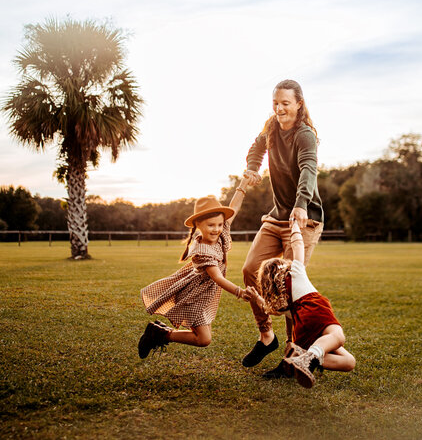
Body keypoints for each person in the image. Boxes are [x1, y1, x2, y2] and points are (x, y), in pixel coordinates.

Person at [240, 79, 324, 378]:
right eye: (275, 103)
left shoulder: (305, 135)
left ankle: (292, 357)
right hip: (276, 217)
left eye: (285, 103)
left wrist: (301, 204)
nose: (279, 108)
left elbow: (308, 169)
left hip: (304, 218)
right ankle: (267, 336)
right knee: (250, 269)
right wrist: (252, 167)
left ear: (299, 104)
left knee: (291, 285)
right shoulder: (272, 127)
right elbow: (257, 147)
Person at [138, 177, 257, 358]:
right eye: (211, 225)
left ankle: (159, 332)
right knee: (203, 339)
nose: (217, 229)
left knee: (203, 337)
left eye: (219, 224)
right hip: (195, 298)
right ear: (198, 225)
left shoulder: (221, 232)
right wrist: (240, 293)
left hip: (205, 295)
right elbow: (217, 278)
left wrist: (242, 185)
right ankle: (159, 334)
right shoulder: (202, 251)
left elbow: (234, 208)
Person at [252, 219, 355, 388]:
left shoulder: (285, 304)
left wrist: (257, 298)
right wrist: (294, 227)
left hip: (301, 327)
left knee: (348, 361)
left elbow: (272, 311)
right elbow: (298, 246)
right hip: (315, 309)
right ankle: (308, 358)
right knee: (338, 336)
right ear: (283, 266)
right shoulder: (295, 272)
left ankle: (300, 355)